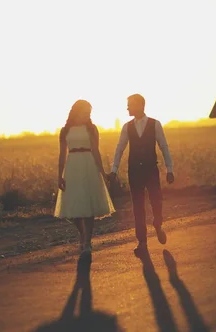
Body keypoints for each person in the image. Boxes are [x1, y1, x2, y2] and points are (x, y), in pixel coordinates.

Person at [109, 94, 174, 257]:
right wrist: (114, 170)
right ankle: (142, 242)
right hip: (134, 171)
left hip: (151, 169)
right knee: (138, 206)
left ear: (140, 105)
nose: (127, 108)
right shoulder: (127, 127)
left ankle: (157, 223)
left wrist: (169, 169)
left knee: (156, 200)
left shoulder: (155, 124)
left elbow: (163, 146)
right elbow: (120, 148)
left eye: (130, 105)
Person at [55, 99, 116, 254]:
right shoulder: (65, 130)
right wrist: (59, 175)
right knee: (74, 206)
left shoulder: (92, 129)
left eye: (89, 113)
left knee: (88, 205)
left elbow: (96, 150)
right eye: (85, 112)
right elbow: (62, 154)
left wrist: (102, 172)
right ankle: (82, 234)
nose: (88, 115)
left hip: (89, 165)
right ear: (76, 111)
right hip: (72, 166)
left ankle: (87, 241)